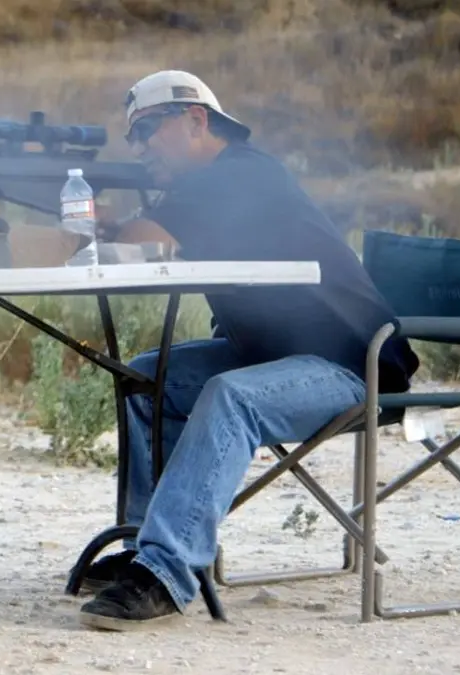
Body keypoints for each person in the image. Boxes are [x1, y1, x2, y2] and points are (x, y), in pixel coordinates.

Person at [75, 70, 420, 631]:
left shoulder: (241, 174)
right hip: (273, 356)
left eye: (146, 130)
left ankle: (165, 572)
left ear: (196, 120)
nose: (138, 146)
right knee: (145, 379)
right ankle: (144, 546)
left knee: (229, 397)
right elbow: (151, 236)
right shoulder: (206, 187)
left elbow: (147, 239)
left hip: (351, 366)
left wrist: (104, 222)